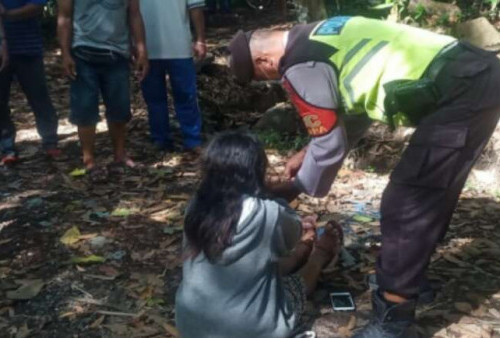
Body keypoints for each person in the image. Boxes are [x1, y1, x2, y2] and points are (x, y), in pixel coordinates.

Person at [228, 16, 500, 337]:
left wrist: (291, 190)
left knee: (405, 203)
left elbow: (329, 144)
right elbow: (352, 112)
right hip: (476, 73)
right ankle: (413, 278)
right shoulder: (320, 33)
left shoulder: (298, 64)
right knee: (432, 191)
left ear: (264, 61)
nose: (273, 82)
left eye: (263, 76)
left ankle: (393, 321)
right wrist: (308, 151)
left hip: (461, 90)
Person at [175, 131, 342, 338]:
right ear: (257, 171)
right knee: (292, 285)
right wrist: (299, 224)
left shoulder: (195, 205)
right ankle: (318, 256)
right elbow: (292, 232)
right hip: (251, 330)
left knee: (260, 265)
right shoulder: (267, 213)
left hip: (190, 324)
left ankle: (303, 251)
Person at [57, 0, 148, 181]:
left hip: (117, 53)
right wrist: (65, 53)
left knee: (120, 107)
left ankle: (120, 155)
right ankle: (89, 160)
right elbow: (64, 17)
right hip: (82, 52)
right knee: (85, 108)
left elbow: (134, 14)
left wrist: (141, 50)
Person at [0, 0, 61, 165]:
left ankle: (50, 142)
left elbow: (37, 7)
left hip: (27, 47)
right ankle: (7, 148)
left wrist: (7, 14)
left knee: (39, 97)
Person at [139, 0, 205, 152]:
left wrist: (200, 39)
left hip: (179, 46)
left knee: (186, 95)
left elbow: (195, 7)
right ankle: (160, 139)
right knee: (154, 99)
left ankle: (192, 139)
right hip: (148, 48)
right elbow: (129, 11)